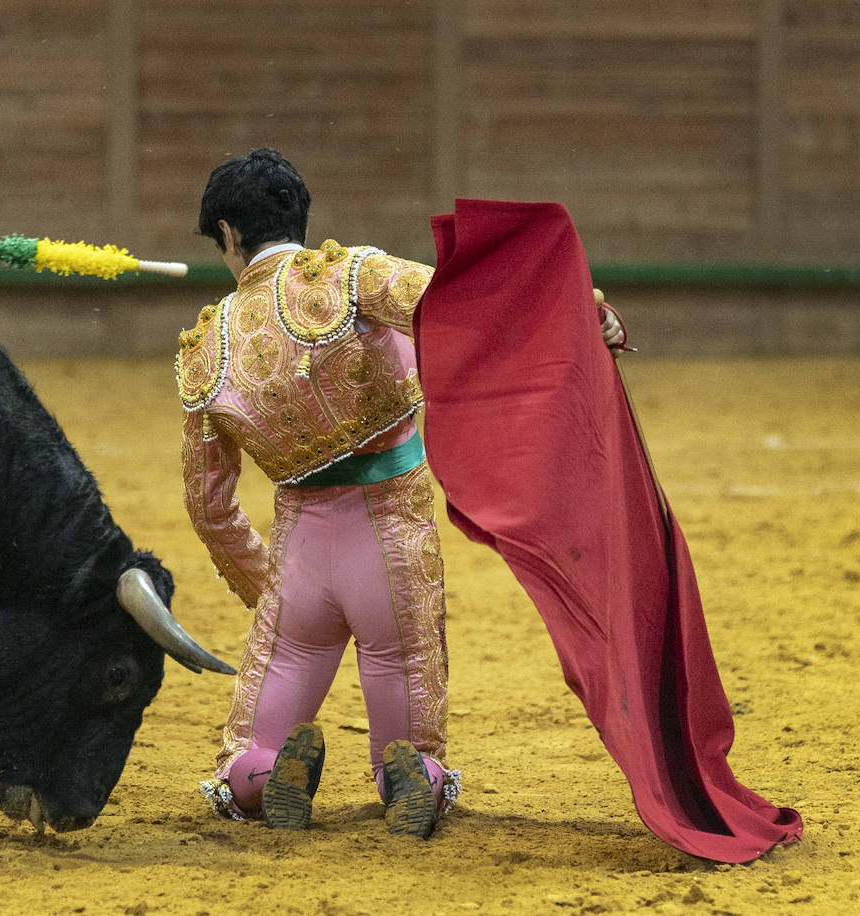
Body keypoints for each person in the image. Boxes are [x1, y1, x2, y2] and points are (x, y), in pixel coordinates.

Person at [175, 149, 626, 837]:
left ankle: (263, 778)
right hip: (390, 542)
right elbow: (460, 302)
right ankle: (411, 779)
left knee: (251, 746)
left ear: (230, 234)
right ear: (300, 216)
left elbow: (209, 507)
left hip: (299, 563)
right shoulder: (348, 276)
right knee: (406, 724)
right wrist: (579, 313)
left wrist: (266, 586)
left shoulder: (206, 347)